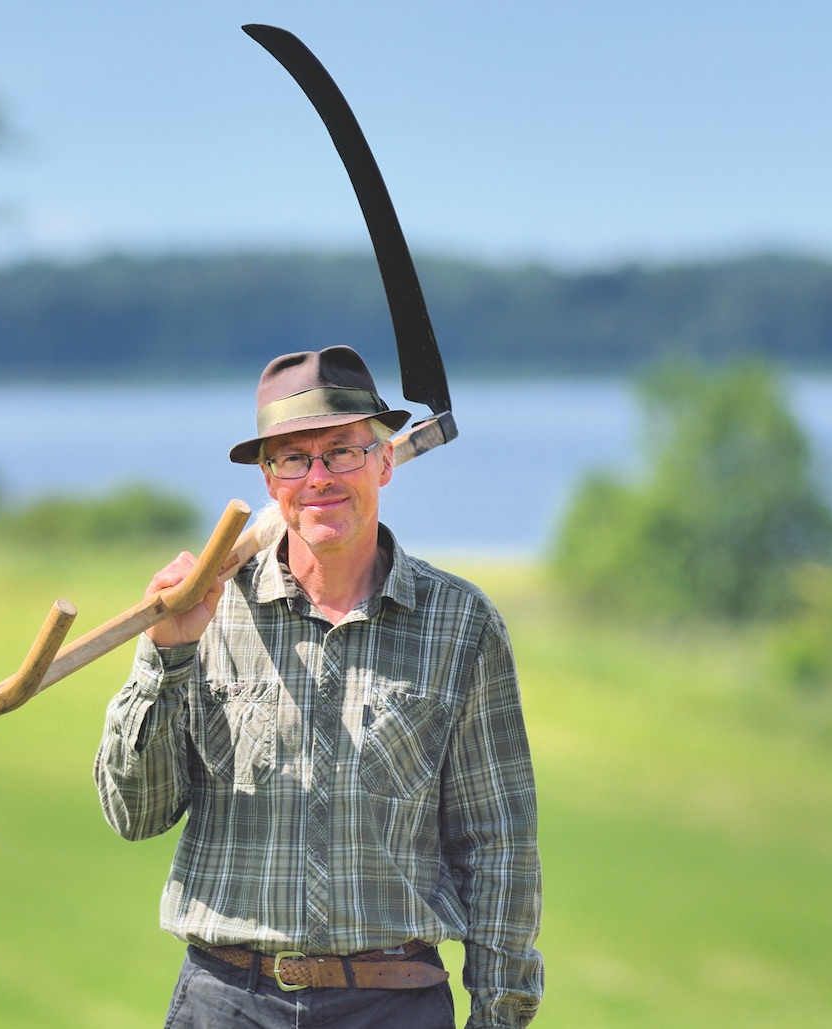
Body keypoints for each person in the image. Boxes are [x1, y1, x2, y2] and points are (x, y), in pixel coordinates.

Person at [94, 345, 542, 1028]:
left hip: (393, 1004)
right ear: (270, 478)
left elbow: (499, 844)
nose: (319, 477)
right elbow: (135, 812)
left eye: (342, 452)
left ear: (385, 460)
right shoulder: (206, 613)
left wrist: (499, 1015)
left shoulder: (461, 625)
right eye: (294, 458)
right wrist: (165, 653)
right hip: (228, 1002)